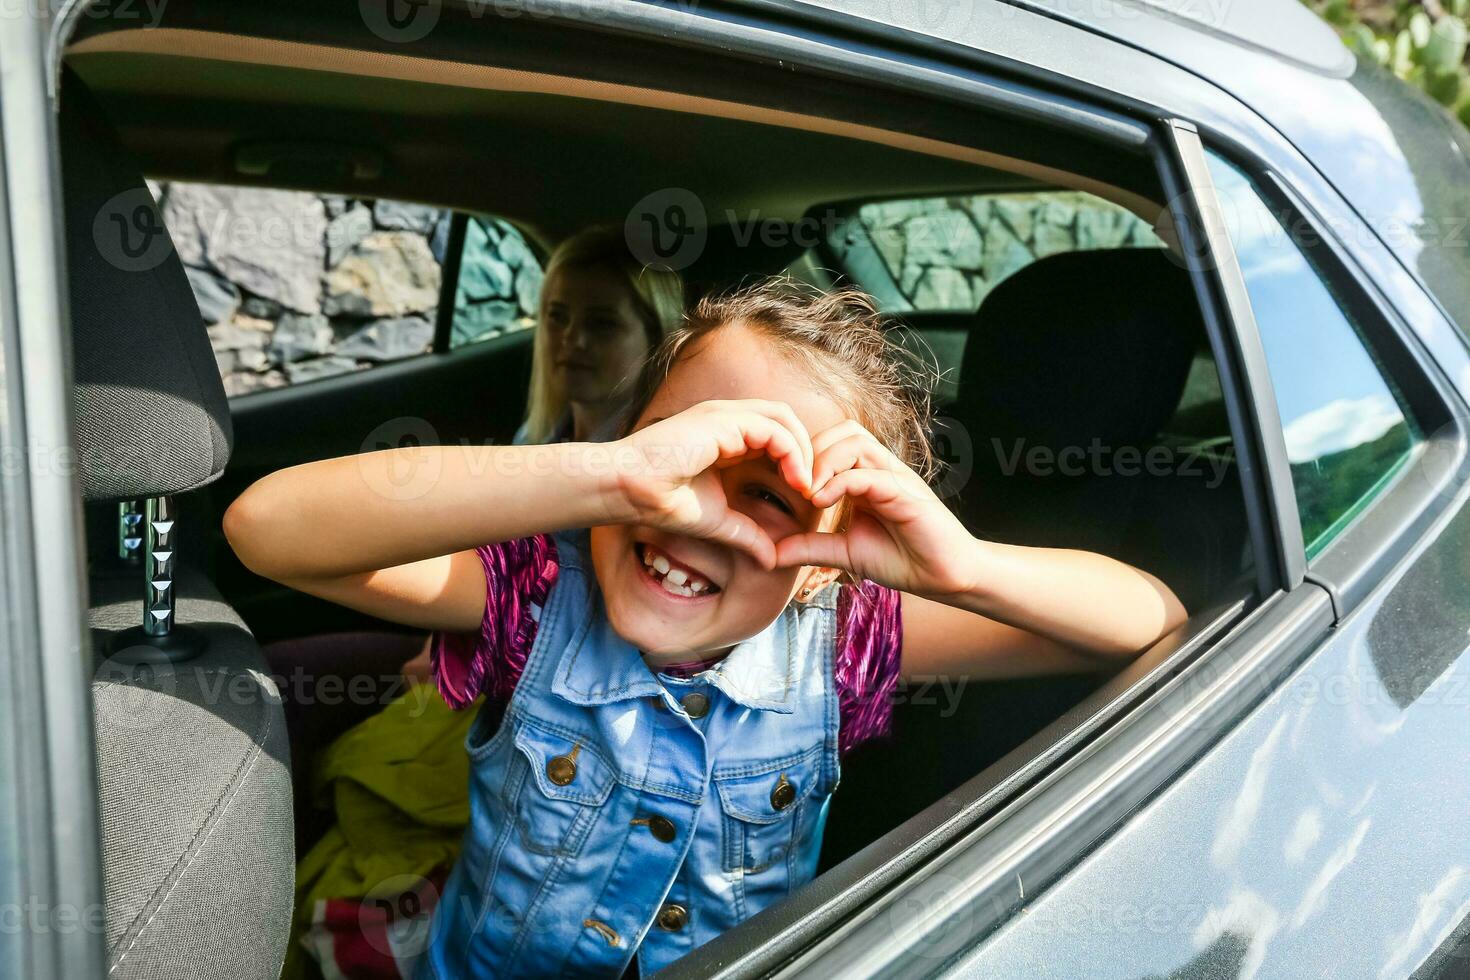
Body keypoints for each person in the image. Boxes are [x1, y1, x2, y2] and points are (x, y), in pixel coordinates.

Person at [227, 281, 1186, 978]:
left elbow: (1147, 617)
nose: (695, 516)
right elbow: (268, 531)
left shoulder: (839, 630)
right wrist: (613, 475)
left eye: (766, 495)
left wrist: (963, 566)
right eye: (685, 458)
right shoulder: (537, 590)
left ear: (825, 556)